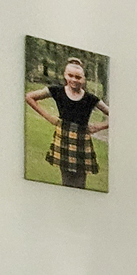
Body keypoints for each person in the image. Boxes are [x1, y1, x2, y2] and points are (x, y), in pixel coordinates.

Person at [25, 57, 109, 189]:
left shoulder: (91, 98)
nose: (74, 80)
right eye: (70, 76)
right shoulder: (57, 91)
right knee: (66, 179)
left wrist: (98, 126)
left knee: (80, 181)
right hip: (63, 138)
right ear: (65, 75)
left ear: (84, 79)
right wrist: (49, 117)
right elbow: (30, 97)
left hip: (82, 141)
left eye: (78, 77)